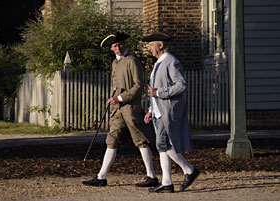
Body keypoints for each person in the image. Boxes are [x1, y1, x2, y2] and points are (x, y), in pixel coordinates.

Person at [82, 32, 158, 187]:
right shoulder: (114, 64)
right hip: (117, 109)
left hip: (131, 109)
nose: (118, 47)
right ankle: (101, 176)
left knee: (140, 140)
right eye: (115, 46)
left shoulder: (132, 61)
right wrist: (113, 100)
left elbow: (138, 86)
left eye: (120, 44)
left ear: (124, 44)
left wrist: (120, 98)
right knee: (112, 139)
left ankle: (152, 176)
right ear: (111, 48)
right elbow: (114, 86)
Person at [141, 32, 200, 193]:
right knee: (162, 146)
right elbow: (154, 90)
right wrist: (151, 110)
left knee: (163, 144)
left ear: (161, 45)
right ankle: (167, 182)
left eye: (151, 45)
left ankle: (189, 170)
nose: (149, 48)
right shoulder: (159, 62)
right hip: (159, 111)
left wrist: (159, 93)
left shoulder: (171, 61)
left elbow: (181, 86)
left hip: (168, 111)